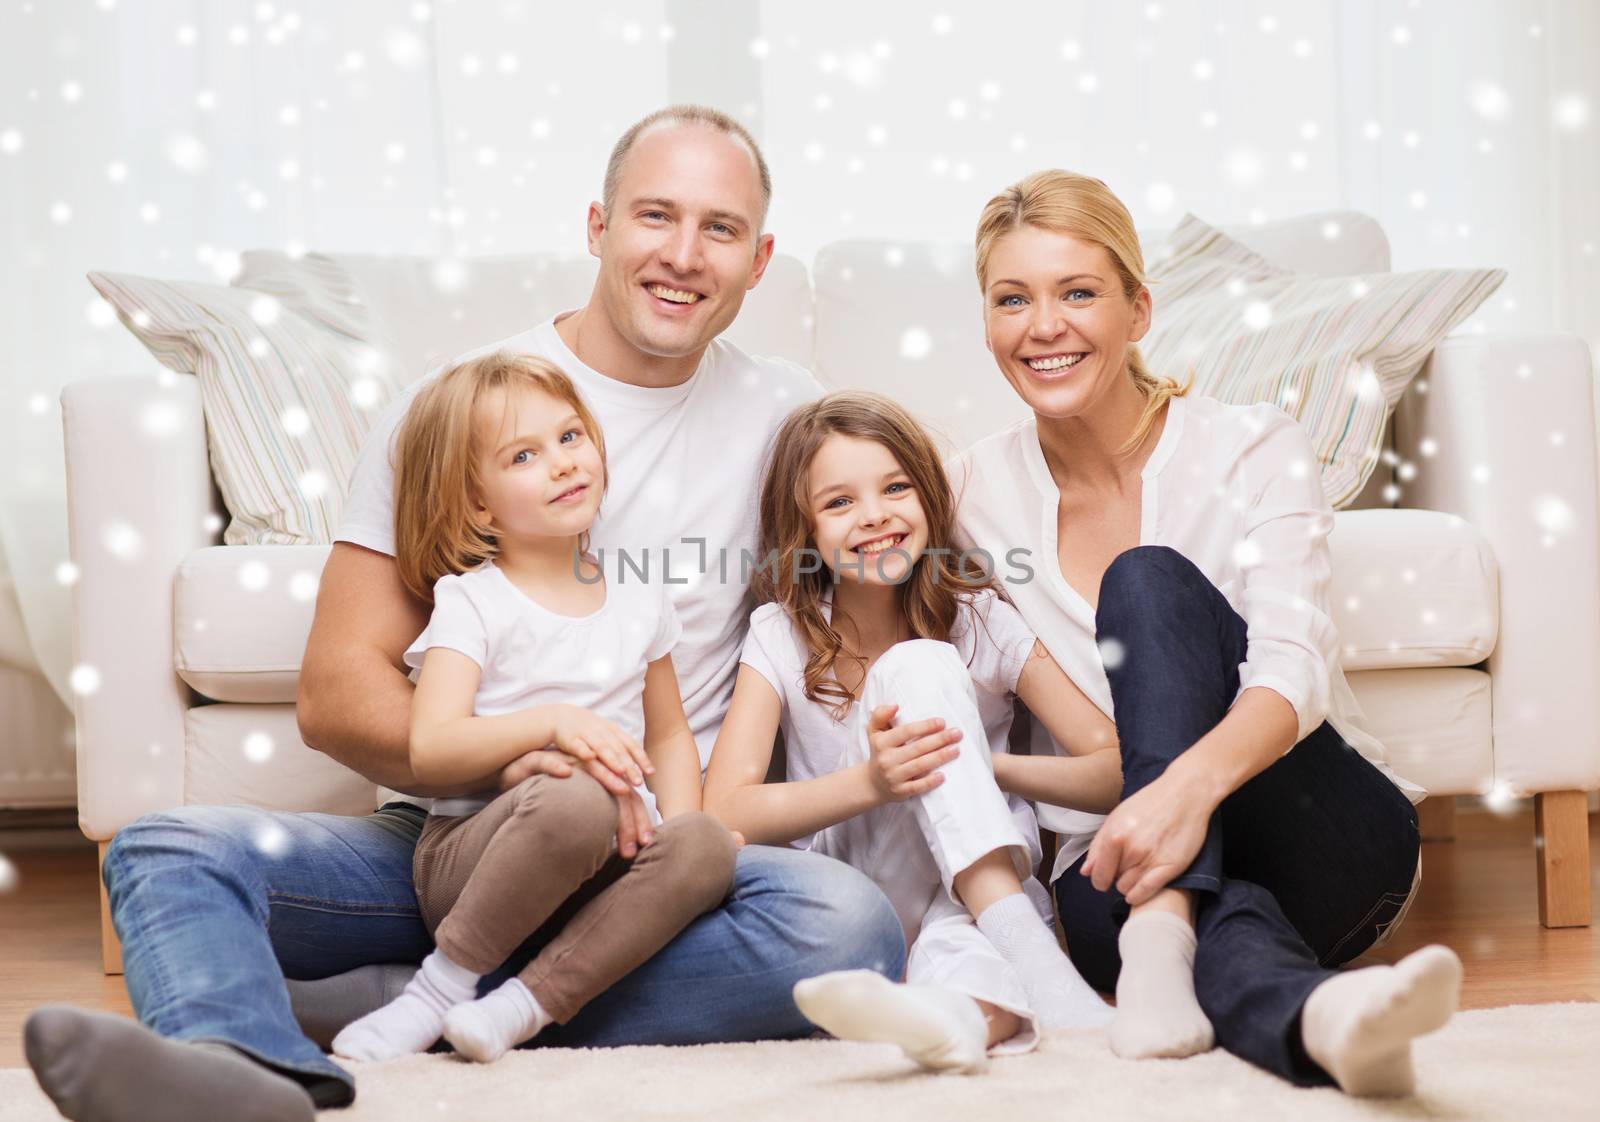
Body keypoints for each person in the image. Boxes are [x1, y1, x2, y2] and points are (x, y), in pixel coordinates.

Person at [24, 106, 903, 1122]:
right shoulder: (463, 410)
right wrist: (513, 758)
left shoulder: (787, 413)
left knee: (848, 930)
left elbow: (889, 547)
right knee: (164, 848)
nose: (682, 254)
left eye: (719, 228)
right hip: (460, 836)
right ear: (597, 226)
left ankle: (420, 1002)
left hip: (656, 865)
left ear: (759, 260)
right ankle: (247, 1072)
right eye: (654, 216)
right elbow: (338, 690)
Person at [924, 168, 1456, 1095]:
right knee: (1211, 923)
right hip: (1112, 877)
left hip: (1319, 829)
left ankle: (1166, 923)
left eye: (1078, 292)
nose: (1042, 326)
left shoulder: (1252, 446)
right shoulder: (967, 495)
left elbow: (1291, 671)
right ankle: (1320, 1019)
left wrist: (1179, 799)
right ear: (987, 322)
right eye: (1013, 299)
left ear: (1139, 309)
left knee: (1148, 583)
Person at [329, 353, 738, 1064]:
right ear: (479, 503)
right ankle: (437, 992)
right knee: (576, 797)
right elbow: (432, 747)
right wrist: (556, 724)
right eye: (524, 454)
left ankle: (521, 1008)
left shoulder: (640, 598)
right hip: (477, 863)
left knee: (705, 844)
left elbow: (670, 736)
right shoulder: (474, 601)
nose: (562, 464)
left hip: (609, 859)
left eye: (571, 437)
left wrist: (675, 824)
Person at [703, 390, 1121, 1074]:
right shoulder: (780, 634)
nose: (875, 516)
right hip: (852, 893)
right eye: (839, 503)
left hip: (972, 909)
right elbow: (725, 811)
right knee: (918, 665)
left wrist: (983, 767)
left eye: (895, 487)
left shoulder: (980, 617)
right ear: (804, 529)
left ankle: (951, 1017)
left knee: (978, 975)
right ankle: (1030, 953)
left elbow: (1113, 767)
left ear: (927, 496)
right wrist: (873, 780)